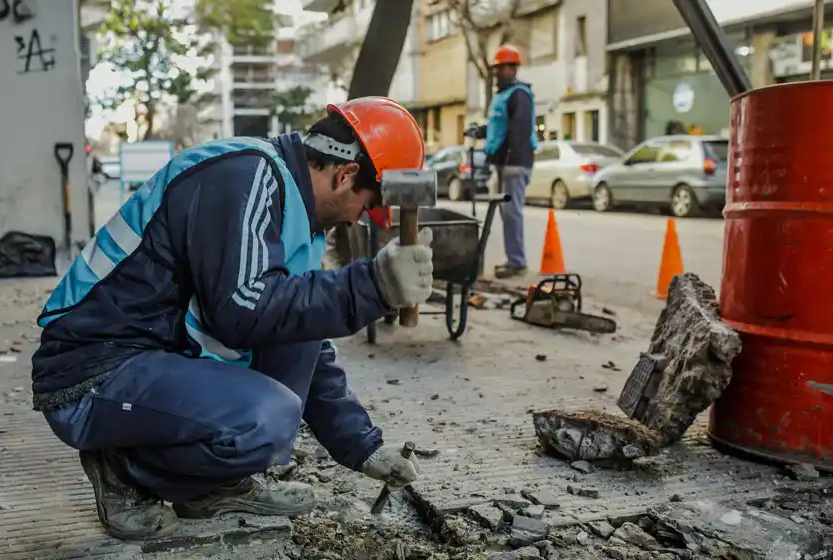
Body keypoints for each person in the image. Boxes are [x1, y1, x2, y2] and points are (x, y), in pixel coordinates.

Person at [30, 97, 432, 540]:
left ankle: (209, 486)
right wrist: (370, 288)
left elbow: (303, 336)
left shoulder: (294, 215)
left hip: (154, 356)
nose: (359, 220)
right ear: (346, 175)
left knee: (298, 329)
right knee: (266, 419)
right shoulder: (246, 176)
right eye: (367, 208)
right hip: (93, 370)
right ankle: (124, 468)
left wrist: (364, 447)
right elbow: (243, 310)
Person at [466, 44, 538, 279]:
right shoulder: (503, 96)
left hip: (514, 165)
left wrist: (508, 161)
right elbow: (500, 128)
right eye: (496, 68)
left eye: (501, 68)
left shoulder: (519, 95)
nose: (497, 72)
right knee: (507, 213)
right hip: (503, 163)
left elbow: (518, 132)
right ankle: (514, 259)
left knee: (512, 212)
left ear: (513, 69)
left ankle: (517, 262)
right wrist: (480, 131)